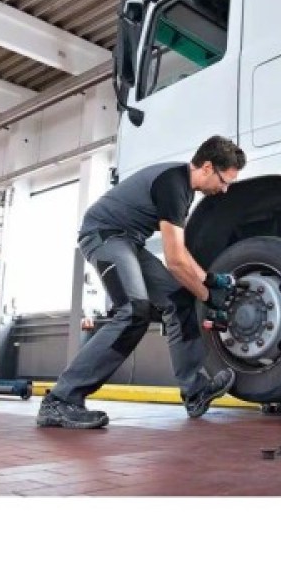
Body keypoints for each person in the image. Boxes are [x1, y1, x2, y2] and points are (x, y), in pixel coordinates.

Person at [37, 135, 247, 429]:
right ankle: (60, 400)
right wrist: (208, 296)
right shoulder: (173, 185)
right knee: (134, 310)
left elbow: (180, 251)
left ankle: (195, 390)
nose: (224, 189)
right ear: (208, 167)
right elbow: (175, 262)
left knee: (179, 299)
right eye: (224, 181)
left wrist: (208, 280)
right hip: (104, 235)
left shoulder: (184, 190)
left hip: (130, 242)